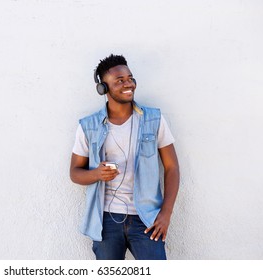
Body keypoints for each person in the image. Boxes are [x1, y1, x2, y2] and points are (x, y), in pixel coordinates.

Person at [70, 54, 180, 260]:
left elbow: (172, 167)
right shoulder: (88, 126)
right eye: (119, 81)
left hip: (147, 219)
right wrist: (96, 174)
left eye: (130, 78)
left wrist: (166, 214)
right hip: (106, 221)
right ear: (103, 88)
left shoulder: (153, 119)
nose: (128, 84)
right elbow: (75, 173)